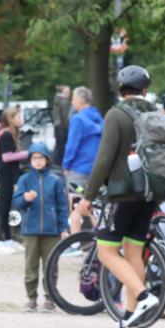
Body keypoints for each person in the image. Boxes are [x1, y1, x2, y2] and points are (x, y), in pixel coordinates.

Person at [78, 65, 162, 328]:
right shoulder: (154, 113)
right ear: (145, 89)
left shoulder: (116, 114)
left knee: (106, 251)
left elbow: (104, 158)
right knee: (134, 251)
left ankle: (144, 296)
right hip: (150, 193)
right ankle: (131, 313)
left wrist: (88, 195)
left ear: (120, 88)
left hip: (123, 192)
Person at [12, 143, 69, 312]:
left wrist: (63, 227)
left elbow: (62, 206)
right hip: (30, 230)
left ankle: (50, 299)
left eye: (41, 157)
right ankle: (31, 298)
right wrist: (25, 199)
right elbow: (16, 202)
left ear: (47, 159)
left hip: (52, 232)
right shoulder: (24, 180)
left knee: (51, 266)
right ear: (30, 160)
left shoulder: (56, 181)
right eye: (34, 158)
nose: (37, 161)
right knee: (31, 266)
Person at [62, 86, 103, 235]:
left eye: (73, 99)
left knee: (76, 205)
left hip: (78, 170)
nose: (72, 102)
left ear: (80, 100)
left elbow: (72, 146)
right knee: (95, 208)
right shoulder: (100, 119)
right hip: (97, 170)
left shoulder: (78, 119)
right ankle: (102, 243)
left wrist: (66, 165)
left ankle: (75, 243)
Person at [0, 106, 27, 256]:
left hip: (10, 175)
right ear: (11, 119)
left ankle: (8, 239)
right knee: (3, 209)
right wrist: (26, 154)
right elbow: (6, 157)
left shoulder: (11, 134)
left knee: (7, 208)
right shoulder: (6, 135)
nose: (21, 119)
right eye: (18, 117)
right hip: (5, 175)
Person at [51, 85, 72, 167]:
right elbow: (67, 117)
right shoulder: (65, 102)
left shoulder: (56, 101)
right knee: (62, 147)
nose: (69, 94)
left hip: (57, 127)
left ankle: (55, 164)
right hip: (63, 128)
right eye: (67, 92)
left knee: (58, 147)